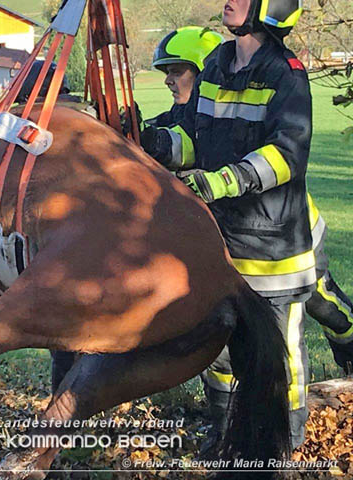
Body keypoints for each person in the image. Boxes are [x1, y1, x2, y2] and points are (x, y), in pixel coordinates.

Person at [140, 0, 313, 450]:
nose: (227, 2)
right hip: (220, 244)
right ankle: (225, 437)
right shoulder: (216, 63)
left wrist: (224, 181)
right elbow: (195, 139)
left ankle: (284, 449)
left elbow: (287, 156)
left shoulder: (286, 74)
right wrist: (151, 142)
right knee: (217, 350)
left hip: (273, 250)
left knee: (281, 358)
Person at [148, 27, 353, 375]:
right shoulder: (178, 117)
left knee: (325, 306)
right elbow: (165, 141)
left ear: (203, 70)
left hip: (293, 236)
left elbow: (280, 156)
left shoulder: (239, 106)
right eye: (166, 72)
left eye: (176, 71)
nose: (168, 80)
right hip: (234, 243)